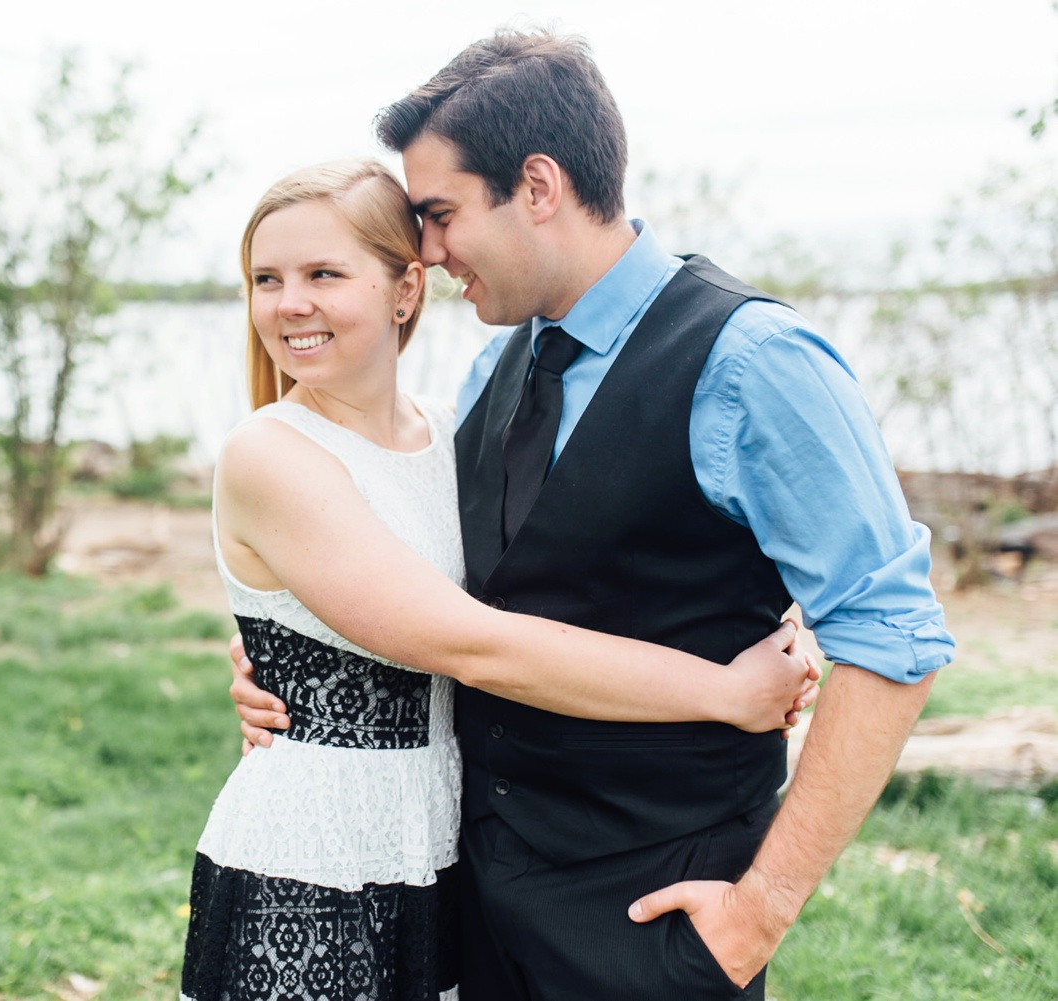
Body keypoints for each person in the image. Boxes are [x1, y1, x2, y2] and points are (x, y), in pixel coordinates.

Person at [230, 30, 956, 1001]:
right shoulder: (499, 363)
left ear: (537, 186)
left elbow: (893, 635)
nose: (430, 252)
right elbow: (426, 578)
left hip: (654, 917)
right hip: (472, 900)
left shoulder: (755, 360)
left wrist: (760, 909)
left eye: (441, 214)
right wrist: (289, 655)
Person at [181, 160, 820, 1001]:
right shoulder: (267, 453)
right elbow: (474, 641)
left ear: (406, 290)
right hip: (320, 845)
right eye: (267, 279)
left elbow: (551, 574)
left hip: (439, 842)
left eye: (322, 274)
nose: (288, 302)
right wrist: (727, 691)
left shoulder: (454, 435)